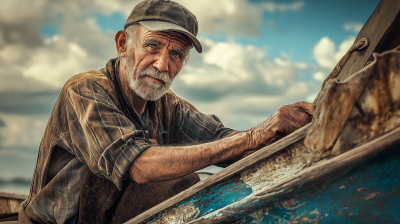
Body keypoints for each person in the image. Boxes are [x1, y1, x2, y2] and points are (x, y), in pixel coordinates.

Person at [19, 0, 315, 223]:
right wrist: (253, 137)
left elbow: (224, 139)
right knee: (177, 181)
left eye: (176, 54)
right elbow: (139, 164)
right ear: (123, 44)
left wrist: (283, 131)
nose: (162, 65)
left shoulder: (167, 105)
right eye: (152, 46)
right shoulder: (84, 90)